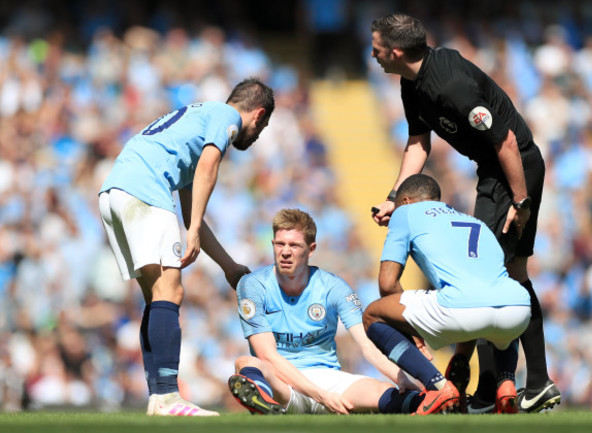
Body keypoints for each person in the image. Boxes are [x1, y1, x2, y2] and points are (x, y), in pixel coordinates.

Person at [369, 13, 560, 413]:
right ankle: (519, 384)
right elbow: (419, 143)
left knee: (496, 274)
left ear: (397, 51)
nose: (373, 54)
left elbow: (506, 141)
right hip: (494, 172)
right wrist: (394, 196)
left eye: (377, 48)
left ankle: (500, 386)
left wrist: (520, 203)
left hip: (513, 170)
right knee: (512, 274)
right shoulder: (411, 83)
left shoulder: (451, 85)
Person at [98, 78, 274, 416]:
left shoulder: (196, 121)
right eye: (261, 128)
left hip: (116, 190)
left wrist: (229, 267)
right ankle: (167, 397)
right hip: (144, 189)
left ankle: (157, 398)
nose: (255, 134)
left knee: (157, 296)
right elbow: (209, 166)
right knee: (171, 292)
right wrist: (191, 230)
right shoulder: (226, 116)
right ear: (259, 115)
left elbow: (193, 208)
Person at [228, 208, 425, 415]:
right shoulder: (252, 285)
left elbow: (368, 344)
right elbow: (267, 356)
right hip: (283, 383)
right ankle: (269, 408)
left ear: (311, 249)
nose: (285, 251)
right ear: (273, 245)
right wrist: (320, 396)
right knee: (246, 363)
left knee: (386, 391)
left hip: (327, 379)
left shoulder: (334, 287)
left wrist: (401, 378)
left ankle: (436, 406)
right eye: (280, 244)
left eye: (294, 245)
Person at [363, 174, 531, 414]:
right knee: (494, 301)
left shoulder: (405, 213)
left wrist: (412, 333)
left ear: (407, 201)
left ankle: (438, 387)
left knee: (372, 315)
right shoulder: (474, 222)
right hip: (517, 309)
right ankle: (506, 384)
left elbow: (387, 284)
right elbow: (482, 290)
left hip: (461, 309)